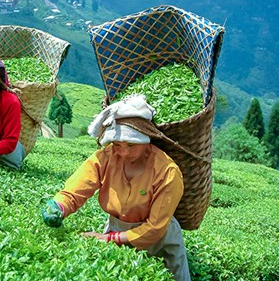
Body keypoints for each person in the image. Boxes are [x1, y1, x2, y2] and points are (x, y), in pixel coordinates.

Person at [42, 94, 191, 281]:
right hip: (116, 228)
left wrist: (111, 239)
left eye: (131, 145)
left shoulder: (167, 172)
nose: (124, 152)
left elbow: (155, 228)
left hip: (159, 240)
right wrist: (59, 206)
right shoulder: (107, 157)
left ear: (146, 140)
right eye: (117, 144)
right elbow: (78, 187)